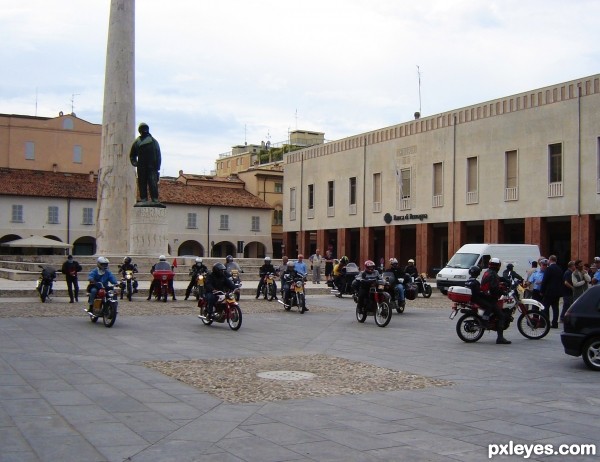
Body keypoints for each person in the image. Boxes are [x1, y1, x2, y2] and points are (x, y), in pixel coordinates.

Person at [478, 258, 511, 344]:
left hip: (484, 295)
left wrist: (504, 280)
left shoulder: (488, 272)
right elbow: (494, 289)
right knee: (501, 316)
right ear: (498, 266)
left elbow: (497, 279)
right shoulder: (493, 274)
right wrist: (503, 292)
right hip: (490, 298)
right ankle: (500, 338)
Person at [129, 122, 161, 205]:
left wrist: (157, 167)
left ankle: (155, 199)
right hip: (141, 166)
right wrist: (135, 163)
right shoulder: (137, 142)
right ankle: (143, 198)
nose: (144, 131)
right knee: (142, 182)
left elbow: (158, 155)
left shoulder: (153, 142)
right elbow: (132, 155)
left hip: (152, 166)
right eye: (142, 129)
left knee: (152, 182)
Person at [541, 255, 562, 329]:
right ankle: (555, 323)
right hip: (557, 292)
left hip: (549, 291)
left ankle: (546, 322)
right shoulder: (559, 269)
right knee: (555, 308)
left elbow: (545, 280)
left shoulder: (549, 269)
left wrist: (542, 290)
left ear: (550, 260)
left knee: (545, 307)